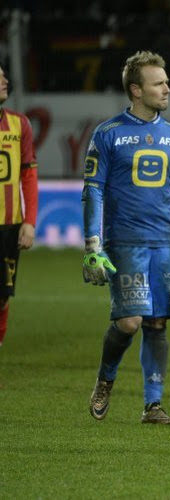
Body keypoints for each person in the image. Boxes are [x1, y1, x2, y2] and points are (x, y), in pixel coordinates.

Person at [82, 50, 170, 424]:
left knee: (157, 323)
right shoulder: (108, 134)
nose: (168, 88)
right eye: (159, 83)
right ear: (136, 90)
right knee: (130, 321)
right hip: (125, 242)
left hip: (164, 242)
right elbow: (93, 190)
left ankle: (153, 404)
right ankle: (106, 378)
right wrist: (92, 246)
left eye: (166, 81)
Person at [0, 65, 39, 347]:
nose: (4, 80)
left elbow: (29, 174)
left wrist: (30, 221)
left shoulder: (19, 124)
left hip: (9, 225)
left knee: (2, 296)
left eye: (3, 75)